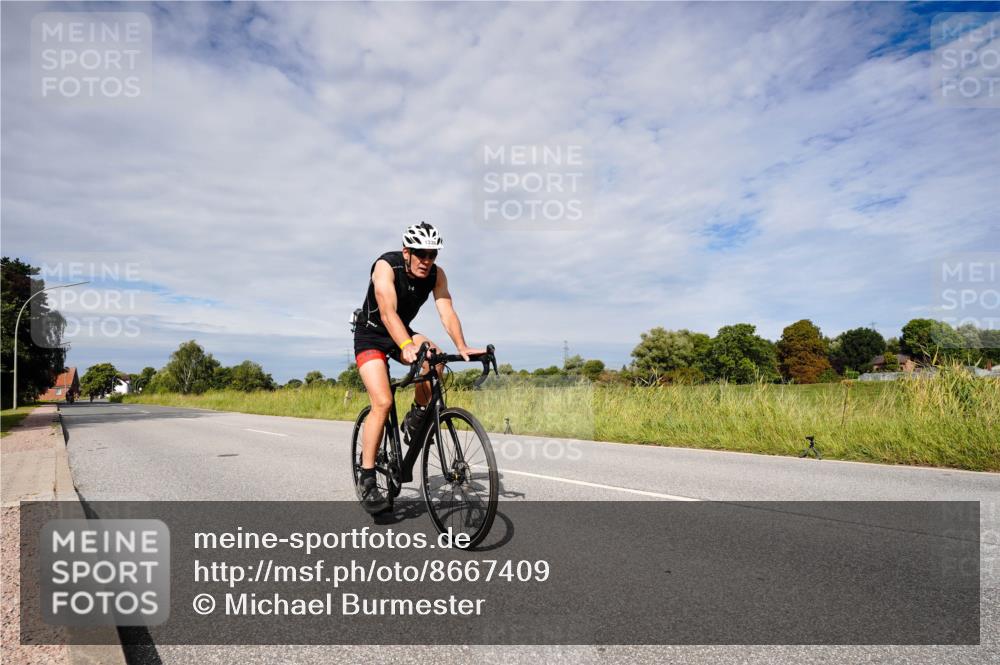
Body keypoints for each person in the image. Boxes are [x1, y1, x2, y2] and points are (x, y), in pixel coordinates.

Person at [352, 222, 483, 514]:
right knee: (383, 402)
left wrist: (461, 346)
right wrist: (405, 346)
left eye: (432, 254)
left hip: (403, 331)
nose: (427, 260)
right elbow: (387, 313)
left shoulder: (436, 275)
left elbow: (446, 311)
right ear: (406, 251)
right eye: (421, 253)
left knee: (435, 361)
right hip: (372, 334)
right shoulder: (386, 267)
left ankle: (417, 416)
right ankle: (368, 475)